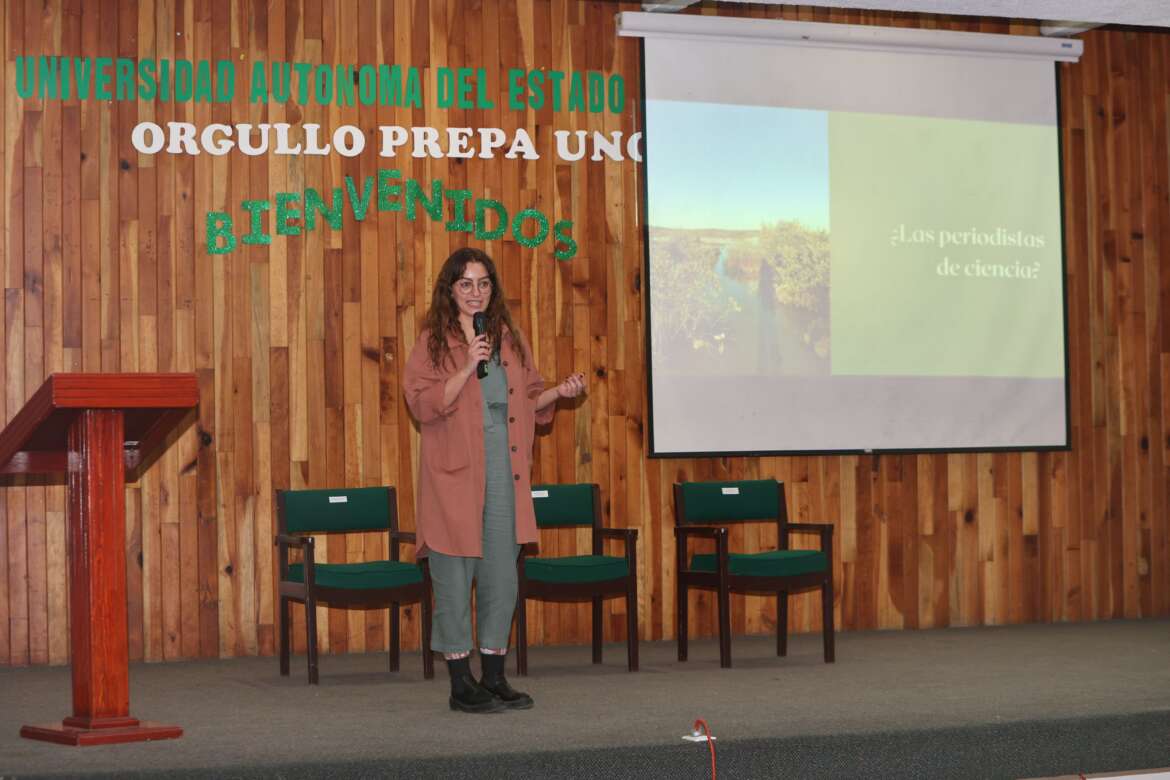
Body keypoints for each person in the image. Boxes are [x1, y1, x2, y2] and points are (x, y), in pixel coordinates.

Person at [403, 247, 586, 714]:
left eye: (483, 283)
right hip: (453, 474)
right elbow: (421, 404)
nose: (475, 293)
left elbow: (527, 396)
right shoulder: (433, 341)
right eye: (465, 284)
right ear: (450, 289)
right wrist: (467, 365)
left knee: (501, 575)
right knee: (453, 574)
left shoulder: (508, 336)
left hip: (505, 468)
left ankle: (495, 675)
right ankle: (461, 682)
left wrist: (558, 394)